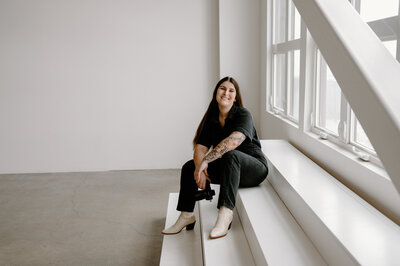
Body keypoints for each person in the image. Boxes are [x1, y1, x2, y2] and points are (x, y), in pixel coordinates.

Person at [162, 76, 268, 239]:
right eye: (222, 88)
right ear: (216, 93)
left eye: (231, 90)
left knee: (230, 155)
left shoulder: (243, 114)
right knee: (189, 166)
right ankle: (186, 216)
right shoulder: (211, 119)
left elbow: (234, 141)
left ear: (236, 97)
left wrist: (206, 161)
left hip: (254, 168)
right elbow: (200, 147)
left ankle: (225, 214)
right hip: (229, 168)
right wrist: (199, 169)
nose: (226, 93)